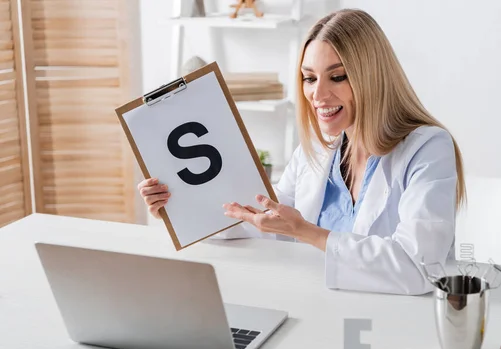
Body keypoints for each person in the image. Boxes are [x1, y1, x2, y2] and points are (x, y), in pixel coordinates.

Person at [137, 8, 466, 296]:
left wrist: (306, 232)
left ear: (373, 77)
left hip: (393, 324)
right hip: (317, 306)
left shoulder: (428, 148)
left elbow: (420, 266)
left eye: (337, 76)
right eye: (309, 78)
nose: (318, 94)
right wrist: (179, 207)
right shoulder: (318, 152)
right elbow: (261, 223)